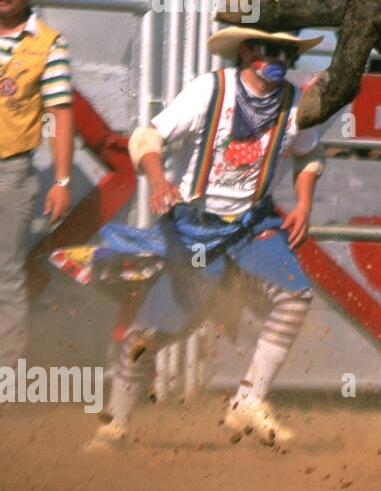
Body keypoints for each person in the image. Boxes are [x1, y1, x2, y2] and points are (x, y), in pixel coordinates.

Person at [69, 25, 326, 451]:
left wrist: (302, 203)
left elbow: (309, 151)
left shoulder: (295, 104)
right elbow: (148, 137)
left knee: (295, 295)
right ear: (247, 51)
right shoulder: (211, 90)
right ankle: (114, 423)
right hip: (195, 230)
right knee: (153, 333)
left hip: (251, 225)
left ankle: (249, 400)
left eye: (288, 52)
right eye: (271, 49)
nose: (280, 60)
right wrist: (156, 181)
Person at [0, 0, 73, 369]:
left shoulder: (49, 44)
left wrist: (62, 182)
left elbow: (59, 113)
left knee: (5, 276)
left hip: (10, 173)